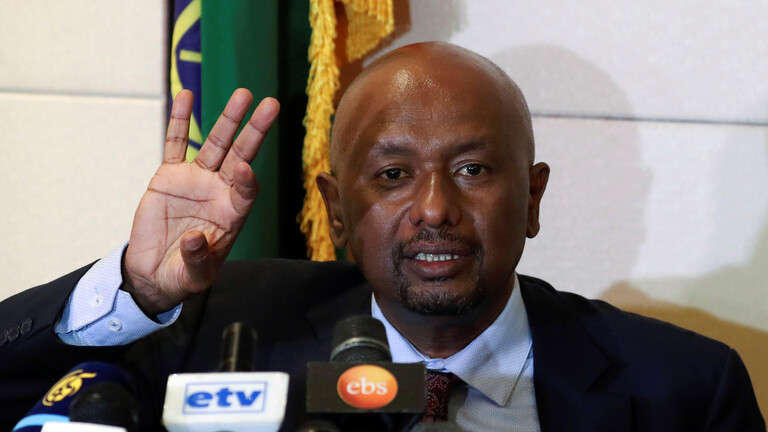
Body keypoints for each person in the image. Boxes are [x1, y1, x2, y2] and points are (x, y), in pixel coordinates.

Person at [0, 42, 764, 431]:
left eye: (472, 169)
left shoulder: (685, 390)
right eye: (393, 175)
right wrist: (139, 290)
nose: (434, 208)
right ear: (336, 212)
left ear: (532, 199)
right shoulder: (211, 330)